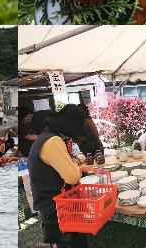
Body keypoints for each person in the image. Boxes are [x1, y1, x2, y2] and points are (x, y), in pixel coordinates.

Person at [29, 104, 87, 248]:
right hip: (57, 208)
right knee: (72, 244)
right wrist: (76, 167)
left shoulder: (45, 138)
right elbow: (72, 176)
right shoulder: (53, 141)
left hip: (52, 206)